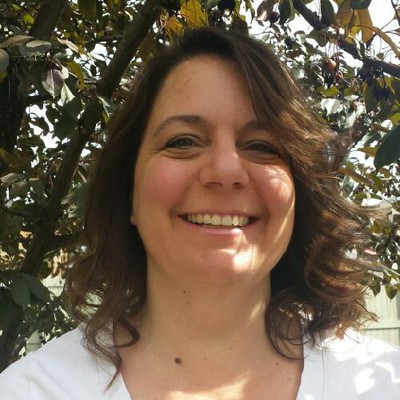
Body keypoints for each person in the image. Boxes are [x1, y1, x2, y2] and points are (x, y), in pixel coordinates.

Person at [1, 27, 399, 399]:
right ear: (129, 192)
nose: (225, 171)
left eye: (262, 146)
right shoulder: (31, 391)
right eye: (183, 141)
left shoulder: (382, 384)